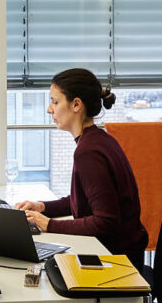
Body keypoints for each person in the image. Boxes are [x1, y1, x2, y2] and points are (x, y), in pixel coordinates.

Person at [15, 68, 149, 271]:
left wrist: (49, 224)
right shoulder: (100, 140)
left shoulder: (88, 152)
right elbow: (85, 200)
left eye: (55, 101)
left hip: (116, 264)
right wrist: (42, 207)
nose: (49, 109)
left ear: (76, 104)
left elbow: (105, 222)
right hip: (124, 255)